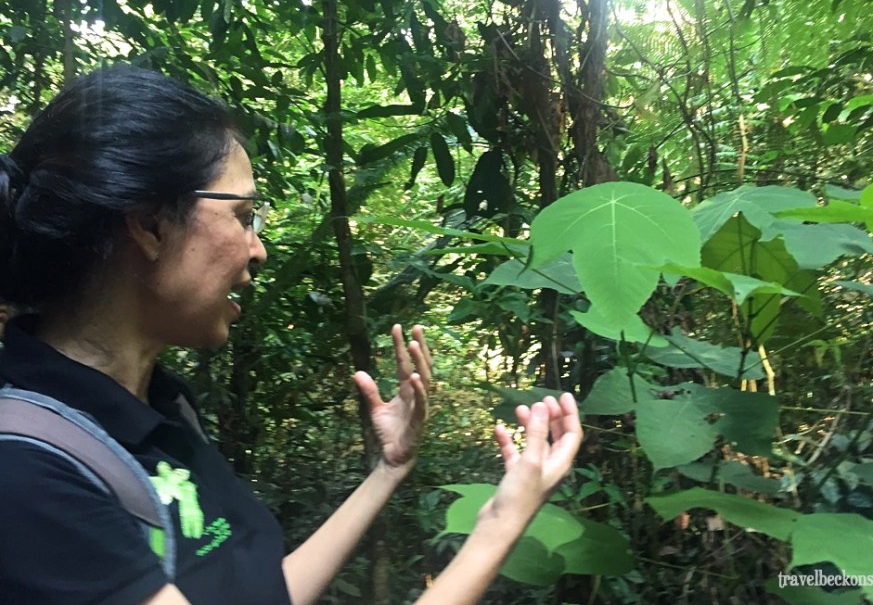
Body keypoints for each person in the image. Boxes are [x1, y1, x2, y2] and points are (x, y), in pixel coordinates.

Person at [0, 65, 582, 605]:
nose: (257, 250)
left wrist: (389, 468)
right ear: (150, 224)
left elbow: (261, 591)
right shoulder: (26, 474)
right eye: (243, 216)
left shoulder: (161, 406)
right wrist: (500, 524)